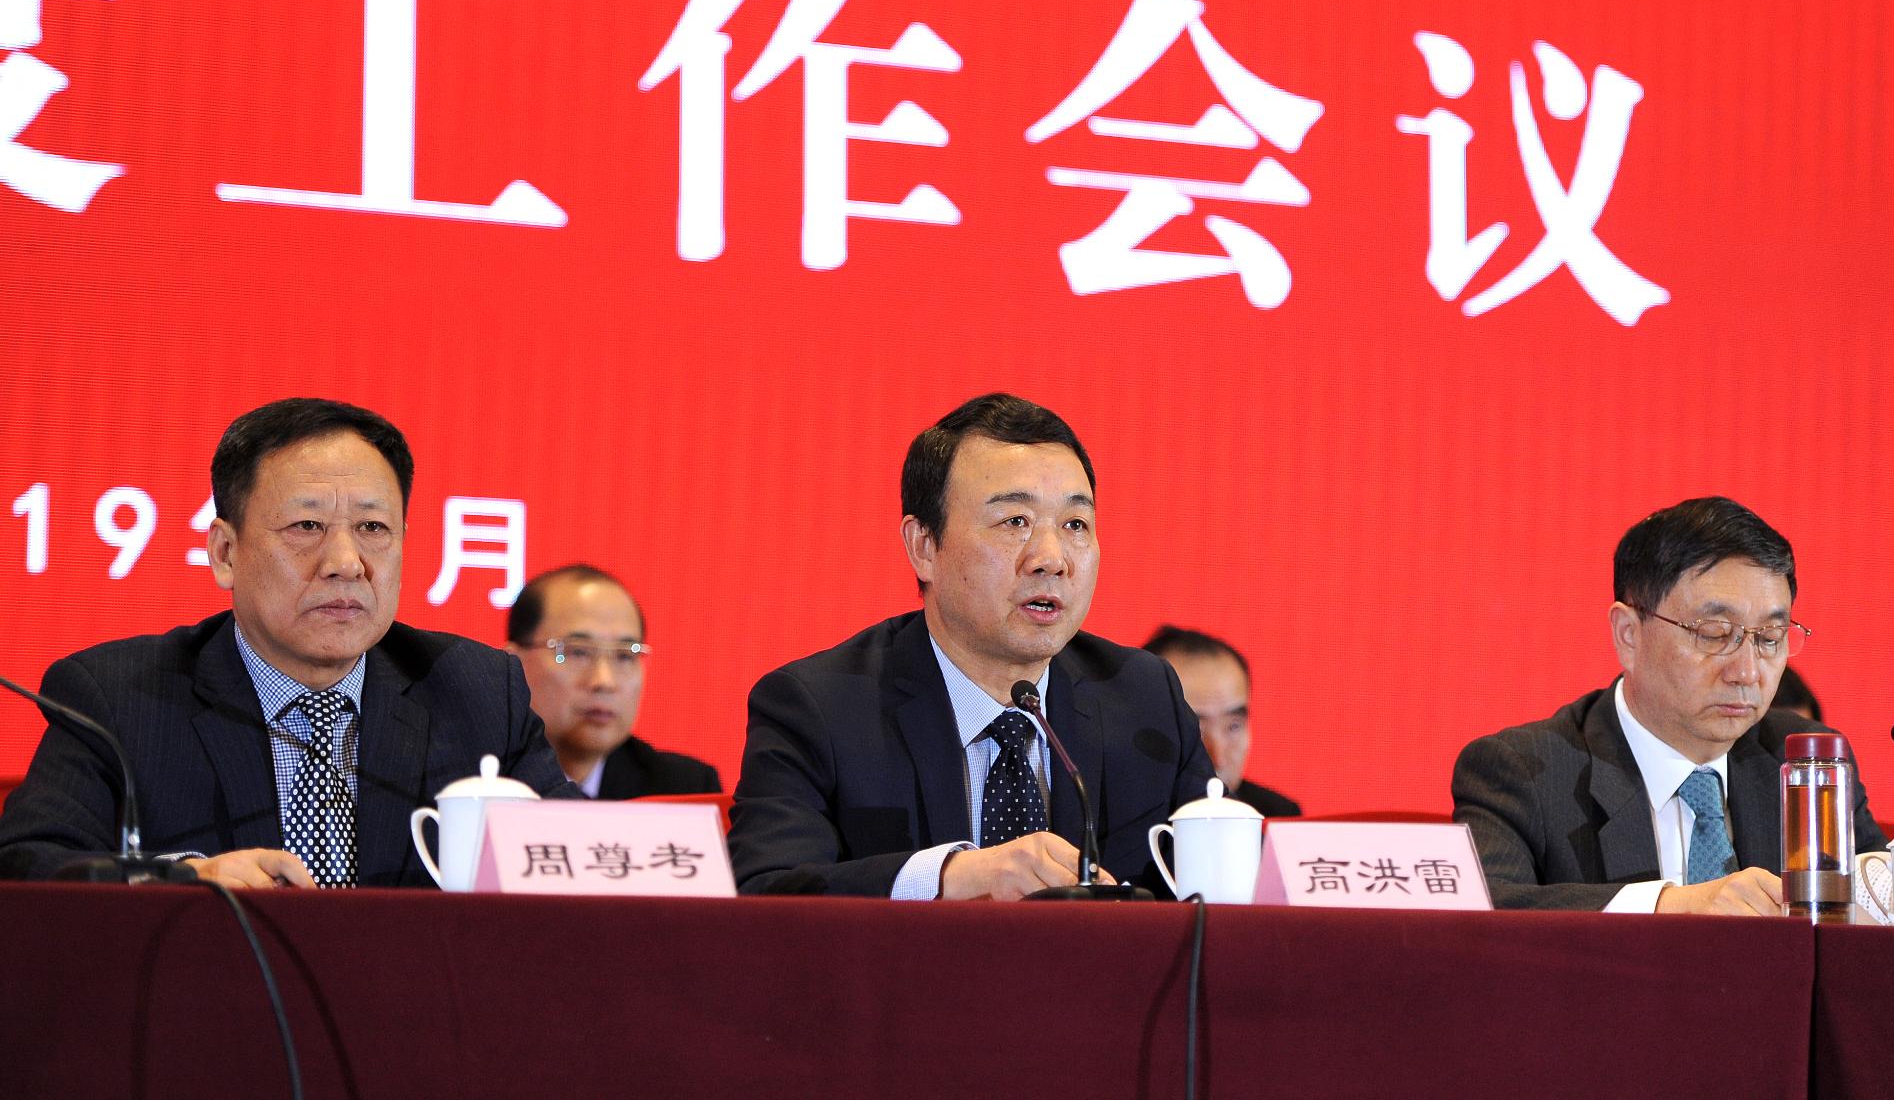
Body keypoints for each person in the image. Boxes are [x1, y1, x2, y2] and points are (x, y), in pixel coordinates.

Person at [0, 398, 573, 889]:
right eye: (307, 527)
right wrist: (183, 883)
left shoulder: (477, 693)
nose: (346, 563)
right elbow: (26, 867)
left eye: (373, 528)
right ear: (225, 553)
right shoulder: (118, 699)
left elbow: (584, 862)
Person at [727, 393, 1214, 899]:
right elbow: (765, 892)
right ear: (924, 547)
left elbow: (1220, 897)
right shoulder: (820, 709)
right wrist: (948, 878)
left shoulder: (1145, 700)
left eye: (1075, 525)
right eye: (1014, 522)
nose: (1051, 559)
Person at [1452, 496, 1887, 913]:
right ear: (1629, 634)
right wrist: (1673, 906)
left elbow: (1880, 905)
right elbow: (1482, 911)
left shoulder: (1807, 762)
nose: (1747, 672)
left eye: (1770, 639)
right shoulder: (1523, 772)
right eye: (1715, 634)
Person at [506, 564, 721, 798]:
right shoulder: (481, 779)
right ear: (512, 664)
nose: (604, 681)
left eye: (625, 655)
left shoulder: (684, 790)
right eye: (578, 651)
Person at [1144, 625, 1300, 817]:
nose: (1218, 759)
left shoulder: (1276, 818)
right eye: (1195, 731)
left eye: (1233, 726)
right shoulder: (1115, 819)